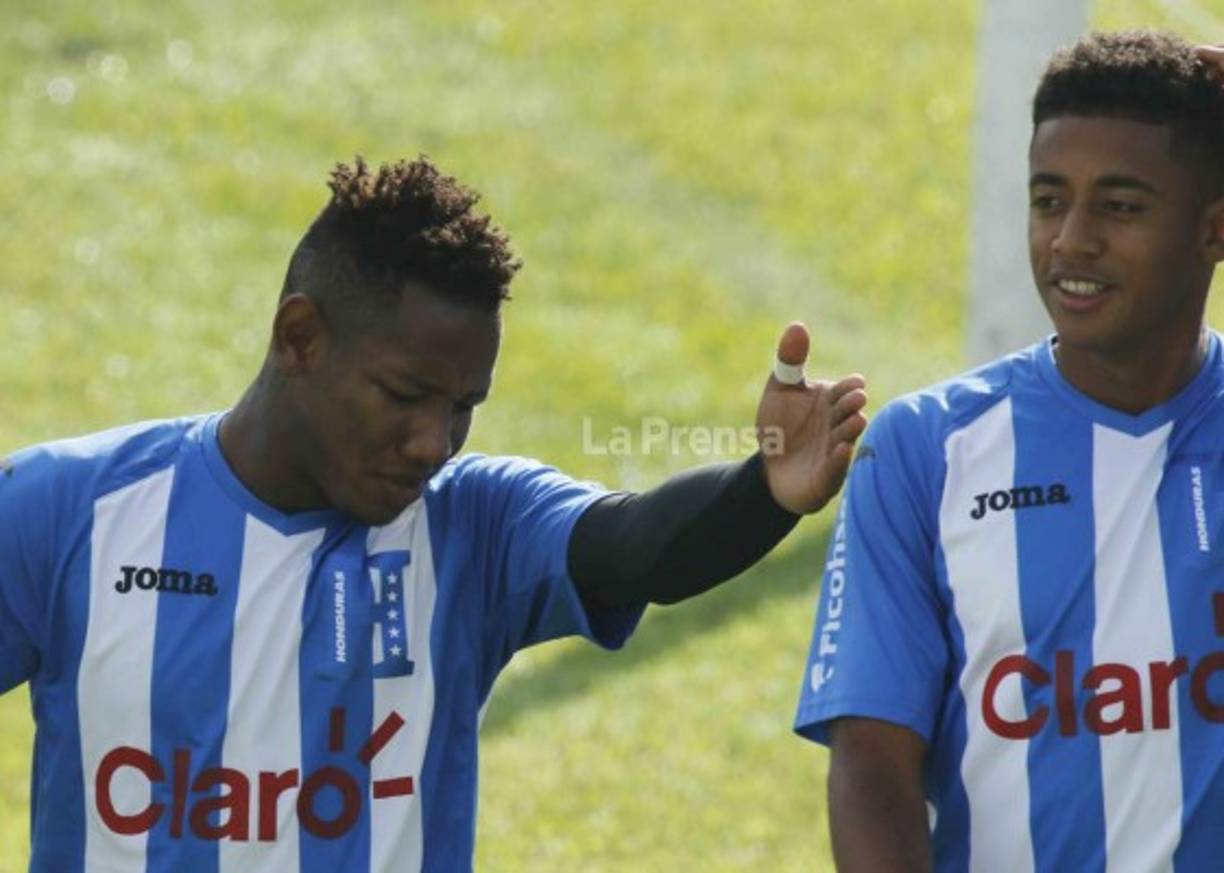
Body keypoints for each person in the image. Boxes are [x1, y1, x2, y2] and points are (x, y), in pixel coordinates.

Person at [0, 156, 867, 872]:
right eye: (404, 394)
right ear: (299, 338)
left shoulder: (473, 527)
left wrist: (760, 492)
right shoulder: (67, 512)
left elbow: (634, 547)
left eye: (463, 406)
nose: (433, 442)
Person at [794, 30, 1224, 872]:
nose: (1072, 240)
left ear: (1213, 229)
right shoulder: (923, 454)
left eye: (1120, 206)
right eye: (1048, 200)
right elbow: (873, 765)